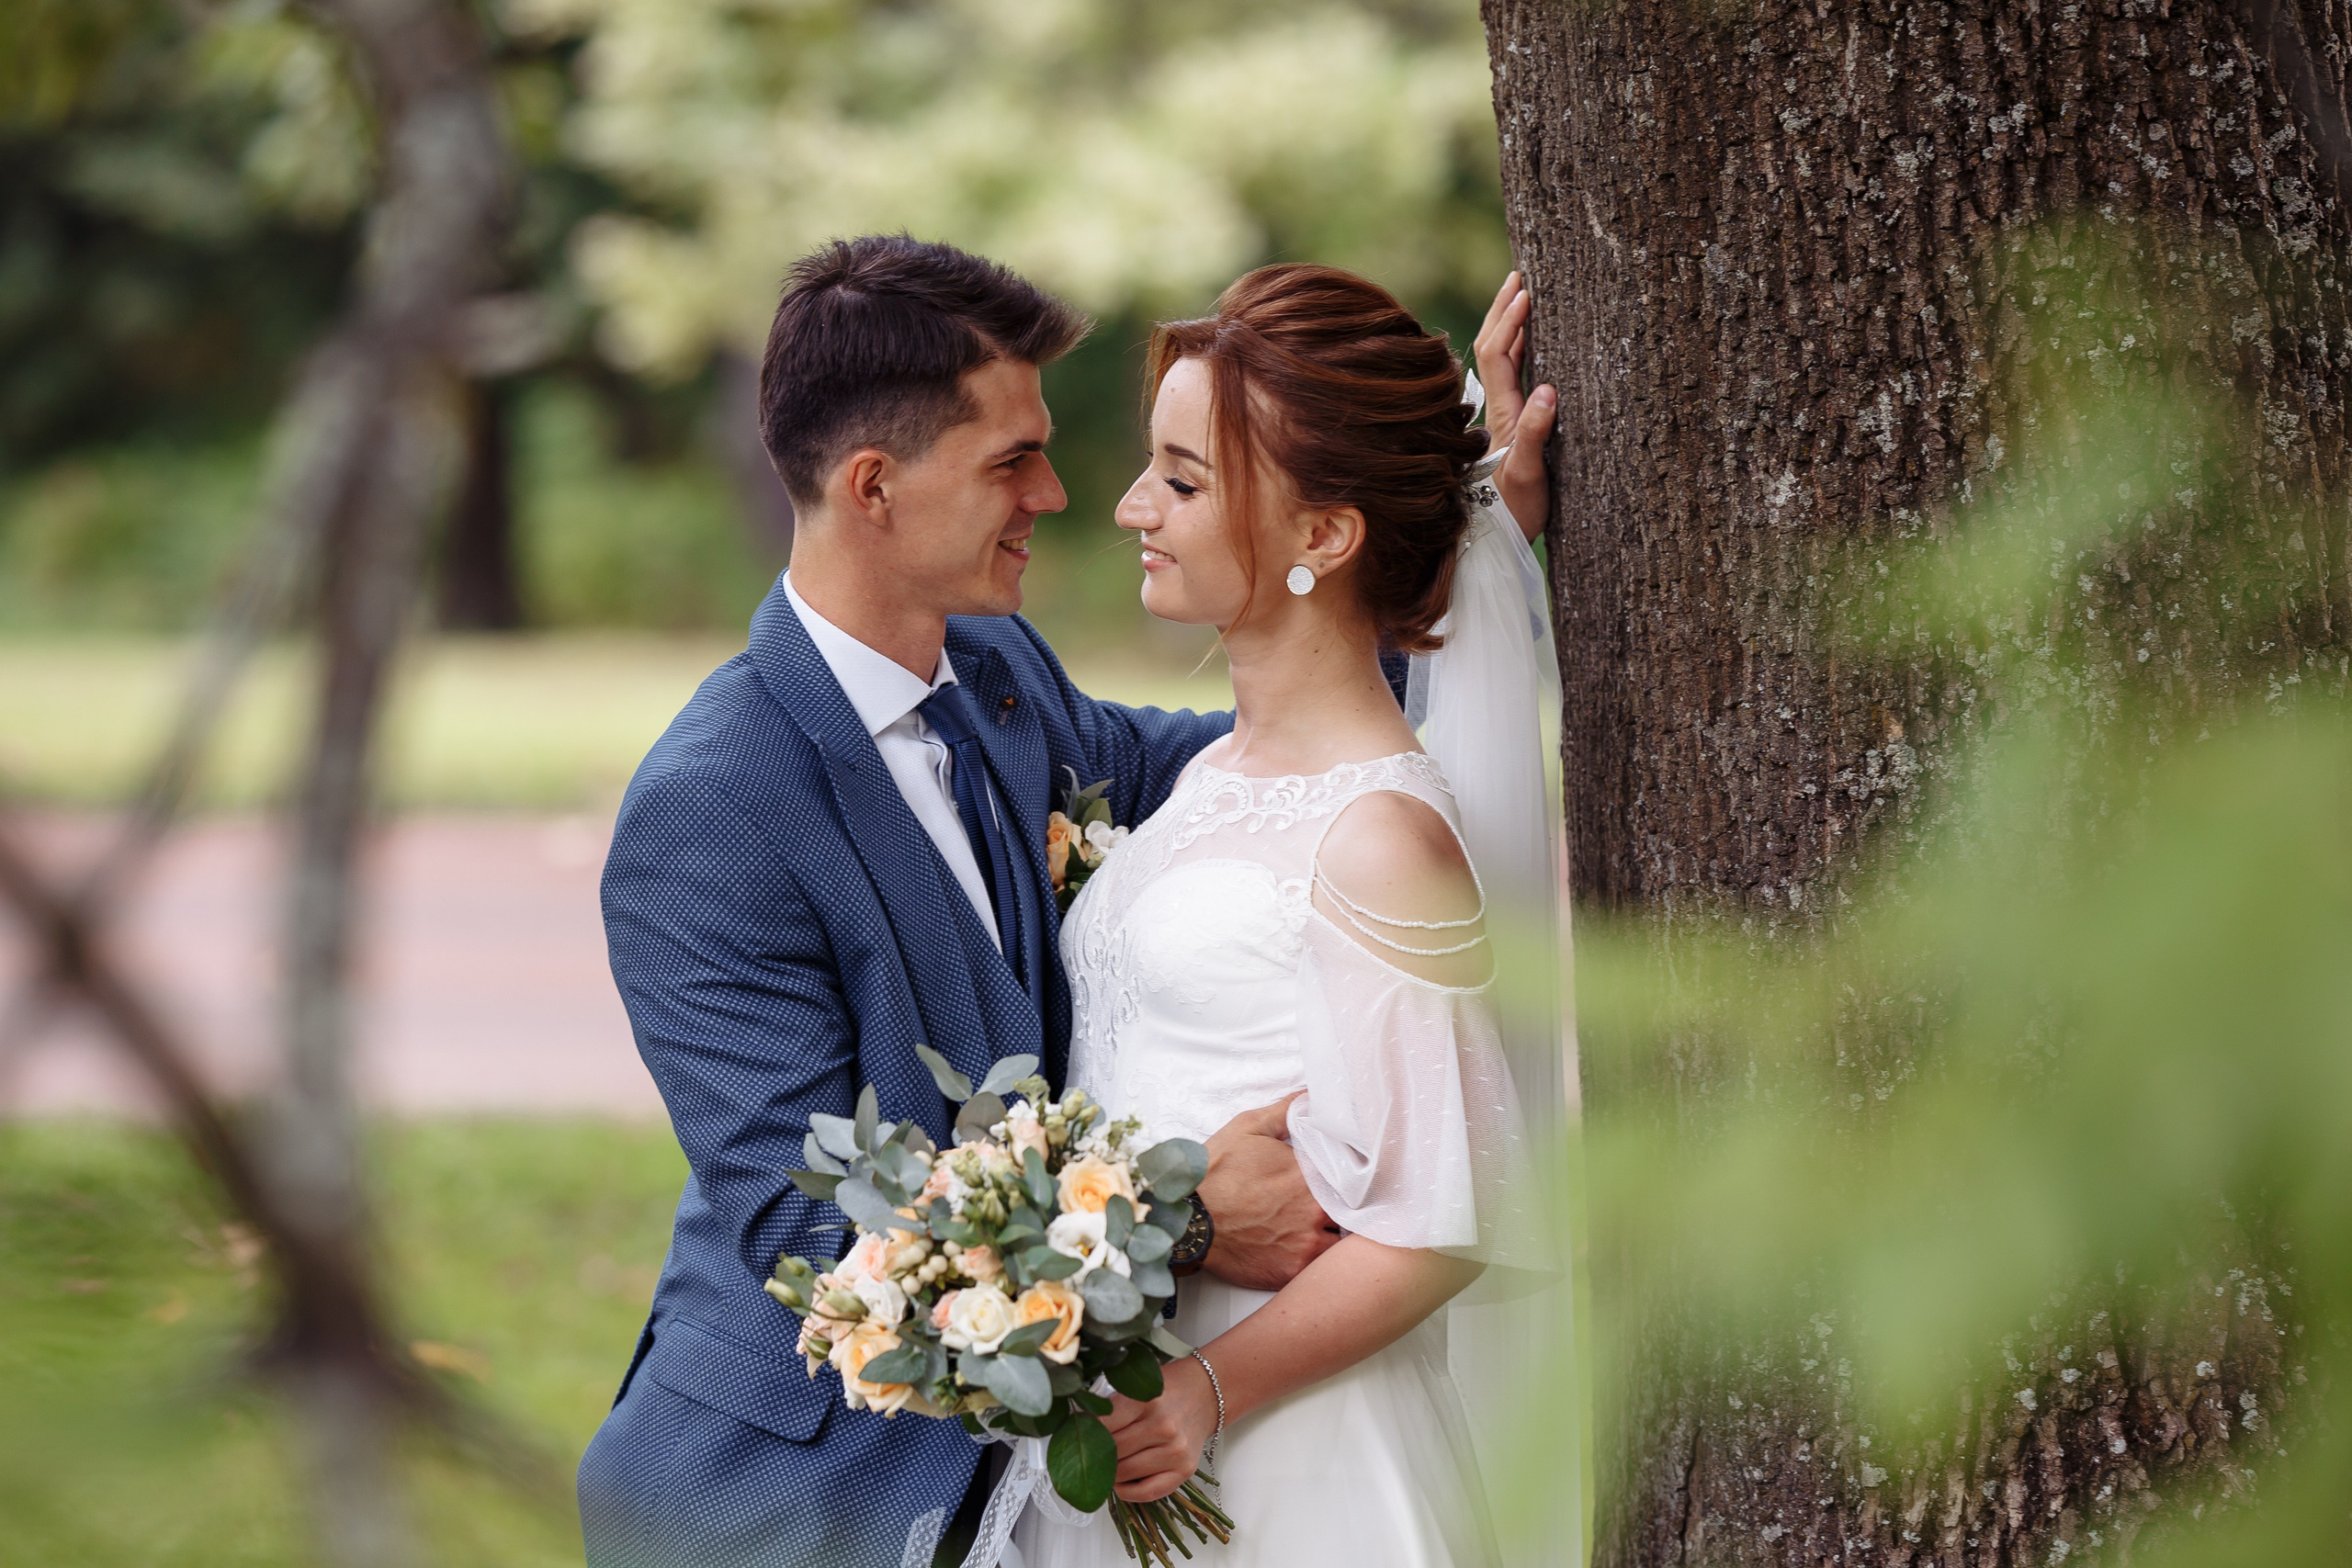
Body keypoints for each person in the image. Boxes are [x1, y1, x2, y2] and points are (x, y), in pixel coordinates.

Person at [574, 237, 1387, 1568]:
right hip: (792, 1499)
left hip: (1049, 1464)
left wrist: (1433, 568)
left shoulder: (997, 668)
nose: (1058, 493)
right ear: (873, 487)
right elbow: (819, 1230)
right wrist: (1177, 1221)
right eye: (1011, 461)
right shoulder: (709, 810)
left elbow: (1235, 757)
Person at [1002, 264, 1563, 1568]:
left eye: (1185, 481)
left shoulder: (1380, 840)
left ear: (1325, 535)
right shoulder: (1215, 774)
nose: (1136, 506)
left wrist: (1206, 1392)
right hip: (1142, 1423)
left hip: (1294, 1461)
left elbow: (1440, 1225)